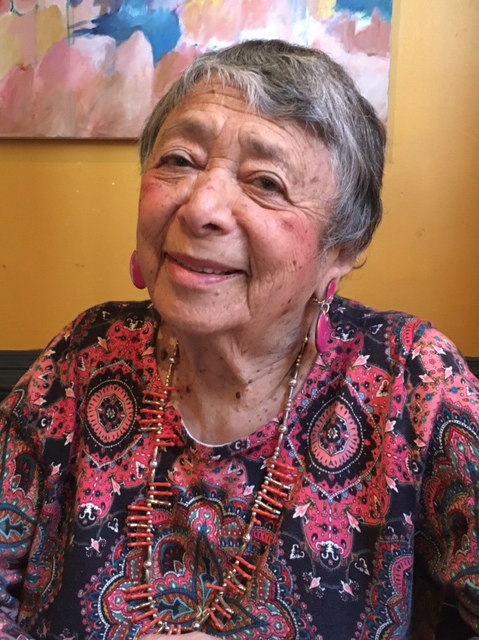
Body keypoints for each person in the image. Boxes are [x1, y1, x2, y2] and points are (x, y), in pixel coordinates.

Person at [0, 39, 478, 640]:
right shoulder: (84, 354)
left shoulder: (415, 382)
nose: (201, 206)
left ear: (342, 251)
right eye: (179, 159)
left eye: (267, 183)